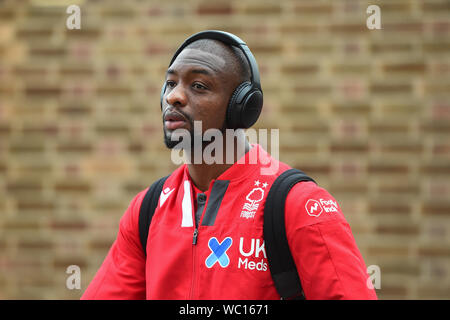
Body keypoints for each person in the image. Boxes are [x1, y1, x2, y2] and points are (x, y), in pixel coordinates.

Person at [81, 30, 377, 300]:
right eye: (170, 83)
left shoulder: (298, 204)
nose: (174, 96)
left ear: (241, 107)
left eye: (198, 85)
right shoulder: (147, 209)